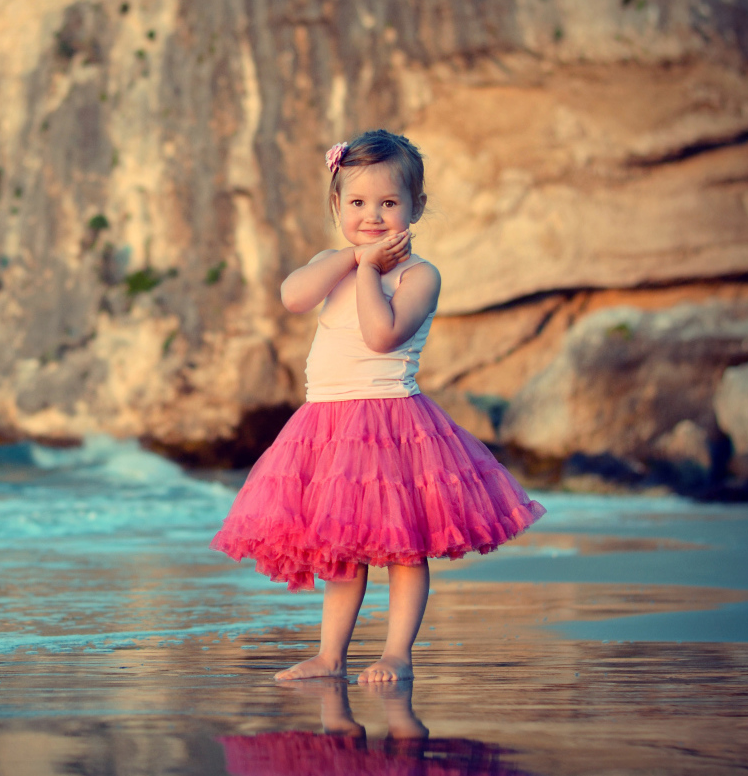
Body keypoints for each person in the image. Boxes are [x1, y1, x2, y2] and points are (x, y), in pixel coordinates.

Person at [210, 129, 545, 683]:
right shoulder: (333, 261)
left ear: (417, 207)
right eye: (358, 203)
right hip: (326, 425)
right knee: (344, 550)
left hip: (393, 423)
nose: (373, 216)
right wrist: (350, 259)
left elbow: (381, 335)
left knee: (405, 549)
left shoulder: (419, 275)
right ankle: (329, 655)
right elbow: (293, 297)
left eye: (389, 203)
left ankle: (396, 653)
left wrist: (368, 270)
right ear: (337, 205)